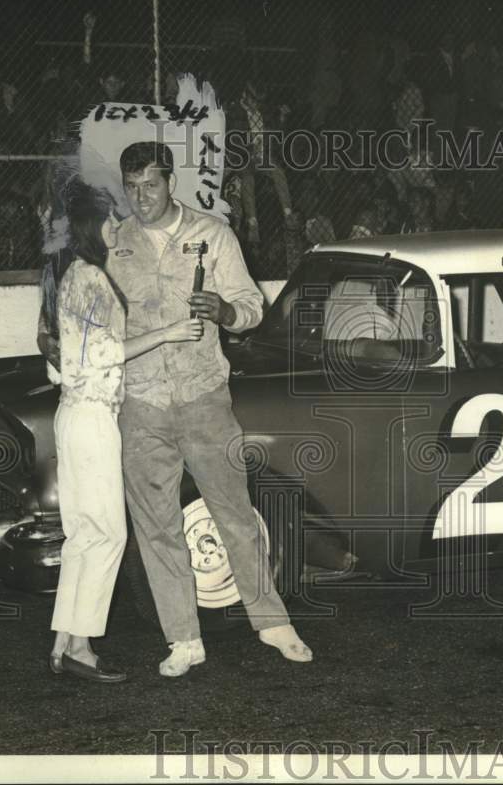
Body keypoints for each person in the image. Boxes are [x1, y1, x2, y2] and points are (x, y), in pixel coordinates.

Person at [108, 142, 312, 677]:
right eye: (131, 187)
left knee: (234, 514)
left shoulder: (213, 234)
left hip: (203, 398)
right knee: (157, 526)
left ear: (170, 181)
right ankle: (183, 640)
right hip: (141, 402)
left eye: (150, 185)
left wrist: (224, 310)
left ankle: (273, 624)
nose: (140, 198)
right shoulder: (114, 241)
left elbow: (252, 308)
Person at [40, 181, 205, 683]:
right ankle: (80, 649)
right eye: (111, 220)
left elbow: (63, 359)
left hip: (74, 414)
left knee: (84, 535)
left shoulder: (72, 275)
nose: (118, 226)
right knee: (107, 534)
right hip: (92, 418)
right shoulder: (89, 276)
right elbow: (100, 354)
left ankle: (65, 642)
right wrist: (170, 332)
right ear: (94, 227)